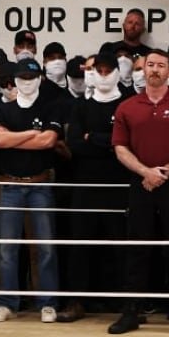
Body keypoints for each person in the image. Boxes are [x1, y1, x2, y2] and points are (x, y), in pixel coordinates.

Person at [107, 49, 169, 337]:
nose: (155, 70)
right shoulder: (127, 107)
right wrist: (145, 172)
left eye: (161, 66)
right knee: (136, 249)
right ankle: (131, 312)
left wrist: (163, 173)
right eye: (150, 65)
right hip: (140, 184)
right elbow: (120, 148)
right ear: (143, 69)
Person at [0, 58, 63, 323]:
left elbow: (48, 141)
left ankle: (48, 303)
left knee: (46, 247)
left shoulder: (51, 107)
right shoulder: (3, 109)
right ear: (15, 80)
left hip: (40, 184)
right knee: (8, 248)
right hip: (11, 185)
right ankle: (7, 303)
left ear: (40, 79)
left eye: (31, 78)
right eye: (22, 78)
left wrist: (15, 138)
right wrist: (31, 133)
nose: (27, 83)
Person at [61, 51, 130, 321]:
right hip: (85, 186)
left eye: (106, 70)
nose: (102, 75)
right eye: (97, 70)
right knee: (80, 245)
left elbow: (129, 144)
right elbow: (75, 144)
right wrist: (108, 142)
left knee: (121, 246)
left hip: (119, 186)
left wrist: (95, 138)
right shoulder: (80, 106)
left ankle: (126, 303)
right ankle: (76, 301)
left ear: (115, 72)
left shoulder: (128, 105)